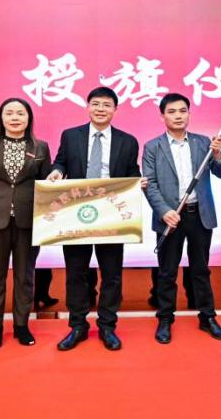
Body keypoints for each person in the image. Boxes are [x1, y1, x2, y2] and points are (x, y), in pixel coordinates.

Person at [47, 86, 142, 351]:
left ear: (115, 110)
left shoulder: (128, 141)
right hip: (76, 213)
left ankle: (107, 326)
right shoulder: (70, 135)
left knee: (111, 274)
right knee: (76, 273)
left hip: (111, 215)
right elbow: (61, 162)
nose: (101, 109)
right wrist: (56, 172)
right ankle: (77, 326)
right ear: (88, 107)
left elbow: (132, 172)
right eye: (96, 104)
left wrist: (138, 182)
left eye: (107, 105)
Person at [143, 93, 221, 343]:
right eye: (172, 112)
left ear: (189, 114)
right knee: (167, 272)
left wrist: (217, 155)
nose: (178, 116)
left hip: (199, 215)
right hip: (170, 218)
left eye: (183, 111)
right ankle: (165, 318)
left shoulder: (204, 143)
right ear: (162, 117)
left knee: (200, 270)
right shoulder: (152, 147)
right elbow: (150, 184)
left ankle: (207, 317)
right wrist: (164, 211)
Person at [0, 98, 52, 350]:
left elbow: (46, 186)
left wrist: (47, 220)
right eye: (9, 113)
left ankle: (21, 326)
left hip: (29, 221)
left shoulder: (41, 147)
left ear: (29, 118)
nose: (15, 118)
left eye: (20, 113)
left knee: (25, 277)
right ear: (1, 118)